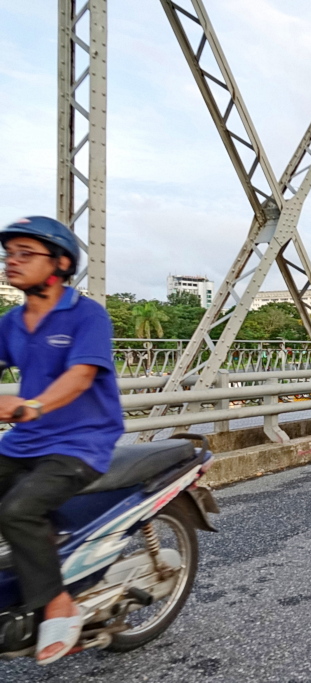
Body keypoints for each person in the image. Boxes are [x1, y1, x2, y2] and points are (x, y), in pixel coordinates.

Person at [0, 216, 124, 665]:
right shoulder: (11, 321)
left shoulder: (86, 314)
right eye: (8, 254)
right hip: (25, 441)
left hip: (81, 442)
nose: (11, 262)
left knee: (17, 509)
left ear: (60, 262)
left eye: (24, 254)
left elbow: (80, 376)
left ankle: (58, 604)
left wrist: (29, 406)